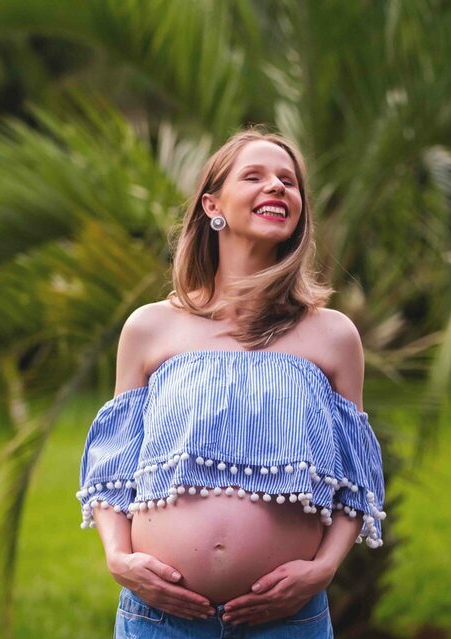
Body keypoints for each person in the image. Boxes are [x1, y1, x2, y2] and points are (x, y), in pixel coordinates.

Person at [75, 127, 386, 638]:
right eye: (254, 176)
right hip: (160, 620)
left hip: (287, 622)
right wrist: (118, 558)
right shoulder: (150, 328)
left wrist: (324, 569)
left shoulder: (333, 337)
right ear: (212, 205)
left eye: (289, 181)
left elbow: (356, 478)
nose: (277, 186)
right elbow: (113, 465)